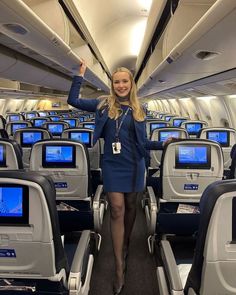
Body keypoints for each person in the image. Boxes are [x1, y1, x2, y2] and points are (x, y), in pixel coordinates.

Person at [67, 60, 163, 294]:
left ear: (131, 84)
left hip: (135, 165)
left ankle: (127, 242)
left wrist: (164, 142)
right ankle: (120, 265)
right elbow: (73, 101)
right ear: (112, 84)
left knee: (131, 207)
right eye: (116, 81)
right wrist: (79, 75)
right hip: (112, 164)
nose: (120, 85)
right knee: (117, 209)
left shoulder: (140, 109)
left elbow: (143, 143)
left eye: (124, 81)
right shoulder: (102, 105)